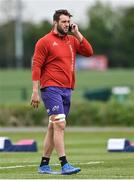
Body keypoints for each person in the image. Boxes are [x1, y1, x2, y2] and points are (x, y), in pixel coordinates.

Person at [31, 9, 93, 175]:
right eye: (64, 22)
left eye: (68, 22)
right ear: (55, 22)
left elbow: (89, 52)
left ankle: (44, 164)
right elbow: (36, 66)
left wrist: (78, 33)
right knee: (60, 124)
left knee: (53, 126)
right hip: (50, 88)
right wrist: (35, 91)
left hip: (67, 89)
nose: (67, 25)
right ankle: (64, 163)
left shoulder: (71, 41)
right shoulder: (44, 42)